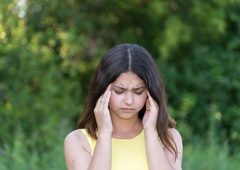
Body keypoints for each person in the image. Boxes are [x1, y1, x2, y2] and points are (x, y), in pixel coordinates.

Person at [64, 43, 183, 170]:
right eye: (119, 91)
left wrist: (151, 133)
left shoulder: (169, 138)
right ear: (103, 89)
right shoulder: (78, 141)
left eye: (138, 91)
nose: (129, 101)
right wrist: (104, 134)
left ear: (150, 93)